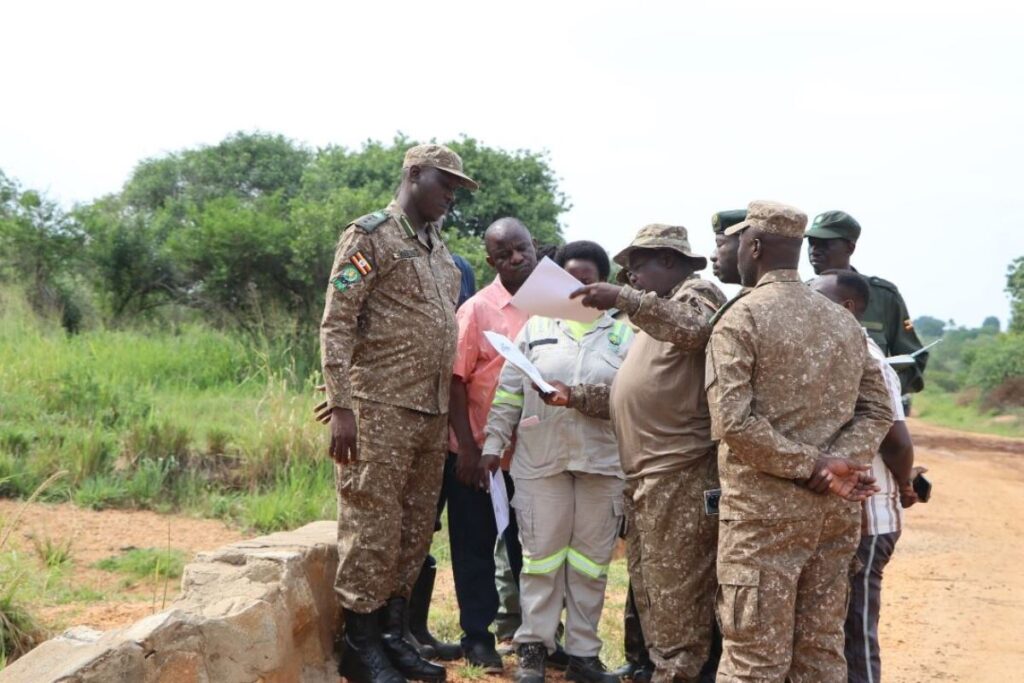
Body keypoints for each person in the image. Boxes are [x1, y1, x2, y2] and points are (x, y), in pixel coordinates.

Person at [706, 200, 893, 683]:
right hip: (832, 516)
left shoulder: (741, 318)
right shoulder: (842, 320)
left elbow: (733, 422)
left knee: (753, 662)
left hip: (762, 519)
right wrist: (838, 465)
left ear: (755, 247)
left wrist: (815, 465)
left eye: (741, 243)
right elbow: (879, 410)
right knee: (819, 656)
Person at [320, 143, 478, 683]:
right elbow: (337, 322)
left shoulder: (440, 251)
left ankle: (393, 635)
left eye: (456, 189)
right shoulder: (369, 237)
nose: (451, 196)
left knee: (413, 530)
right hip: (379, 409)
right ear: (414, 174)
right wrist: (341, 404)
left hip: (429, 412)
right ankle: (359, 646)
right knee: (372, 526)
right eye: (444, 184)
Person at [551, 224, 727, 683]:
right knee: (652, 585)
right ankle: (661, 665)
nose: (631, 280)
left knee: (677, 590)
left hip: (681, 471)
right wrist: (575, 396)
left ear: (668, 260)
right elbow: (635, 394)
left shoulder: (696, 294)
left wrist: (625, 299)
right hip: (648, 475)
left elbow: (698, 330)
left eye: (636, 268)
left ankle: (678, 671)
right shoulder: (652, 316)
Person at [484, 241, 634, 683]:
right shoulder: (535, 328)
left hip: (602, 464)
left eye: (588, 280)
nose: (579, 289)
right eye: (571, 280)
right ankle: (533, 648)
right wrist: (493, 442)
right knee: (540, 559)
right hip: (541, 462)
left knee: (590, 564)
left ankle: (584, 655)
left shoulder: (624, 336)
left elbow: (634, 401)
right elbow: (509, 391)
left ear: (603, 284)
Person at [810, 270, 918, 683]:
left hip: (870, 519)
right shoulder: (832, 353)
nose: (807, 304)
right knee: (835, 631)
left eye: (818, 298)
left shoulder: (867, 358)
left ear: (847, 307)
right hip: (844, 515)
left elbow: (897, 441)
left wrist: (905, 484)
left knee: (856, 629)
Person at [446, 217, 537, 672]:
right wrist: (466, 448)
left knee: (533, 551)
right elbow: (455, 381)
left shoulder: (555, 307)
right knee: (475, 547)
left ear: (534, 247)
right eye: (504, 254)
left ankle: (538, 637)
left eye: (522, 249)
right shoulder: (476, 310)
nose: (516, 258)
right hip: (480, 455)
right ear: (491, 261)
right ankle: (478, 638)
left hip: (537, 456)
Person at [805, 210, 928, 400]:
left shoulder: (883, 297)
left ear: (850, 248)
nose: (815, 250)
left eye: (825, 244)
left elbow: (914, 361)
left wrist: (880, 390)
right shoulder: (799, 296)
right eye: (812, 243)